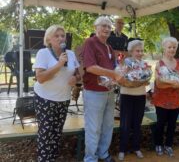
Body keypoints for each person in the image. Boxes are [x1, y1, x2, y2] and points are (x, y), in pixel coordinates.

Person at [33, 25, 80, 162]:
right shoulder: (43, 53)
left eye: (62, 35)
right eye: (56, 36)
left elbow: (78, 74)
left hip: (63, 99)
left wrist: (75, 78)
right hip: (45, 98)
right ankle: (44, 159)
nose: (60, 38)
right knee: (46, 133)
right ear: (49, 39)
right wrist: (59, 65)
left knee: (57, 132)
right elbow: (40, 78)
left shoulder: (70, 54)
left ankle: (52, 157)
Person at [82, 16, 124, 162]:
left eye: (109, 26)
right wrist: (113, 73)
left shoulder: (109, 47)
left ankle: (103, 153)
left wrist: (121, 72)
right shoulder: (90, 42)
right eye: (103, 26)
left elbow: (114, 67)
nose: (106, 29)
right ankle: (90, 158)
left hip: (109, 91)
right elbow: (90, 67)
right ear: (96, 27)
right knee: (93, 127)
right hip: (93, 91)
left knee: (108, 125)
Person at [152, 37, 179, 157]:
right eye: (169, 47)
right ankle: (158, 144)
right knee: (160, 123)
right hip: (162, 99)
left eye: (174, 47)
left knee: (172, 124)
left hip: (177, 98)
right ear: (164, 48)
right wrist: (172, 83)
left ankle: (168, 145)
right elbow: (158, 82)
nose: (172, 49)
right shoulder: (159, 63)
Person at [118, 40, 148, 161]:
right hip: (127, 95)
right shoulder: (125, 62)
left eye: (141, 50)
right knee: (125, 124)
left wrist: (146, 80)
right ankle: (122, 149)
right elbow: (120, 78)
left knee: (137, 124)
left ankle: (136, 147)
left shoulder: (145, 64)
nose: (140, 53)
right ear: (131, 51)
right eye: (137, 51)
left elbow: (147, 79)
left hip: (140, 96)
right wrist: (125, 74)